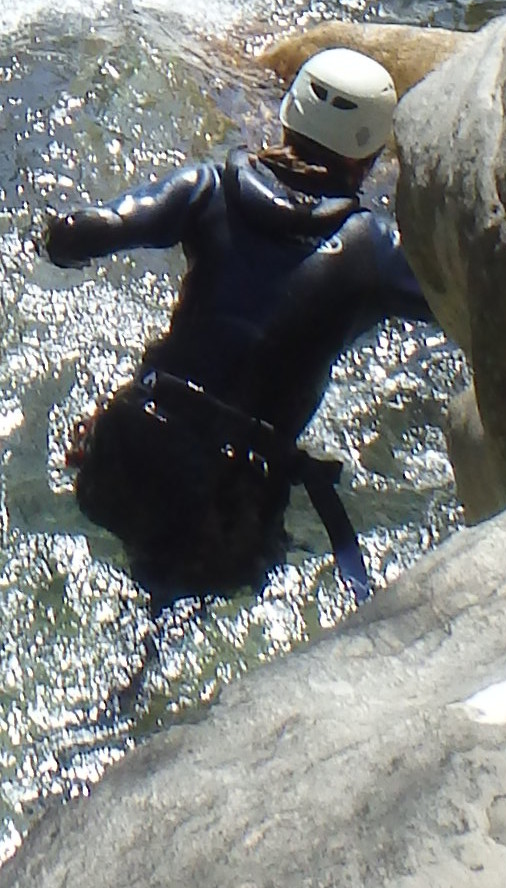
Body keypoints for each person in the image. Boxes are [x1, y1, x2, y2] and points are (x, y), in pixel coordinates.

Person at [38, 48, 433, 598]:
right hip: (228, 498)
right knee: (170, 617)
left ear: (288, 117)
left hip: (126, 450)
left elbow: (83, 232)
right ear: (370, 156)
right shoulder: (373, 252)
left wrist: (60, 239)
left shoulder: (209, 185)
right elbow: (468, 307)